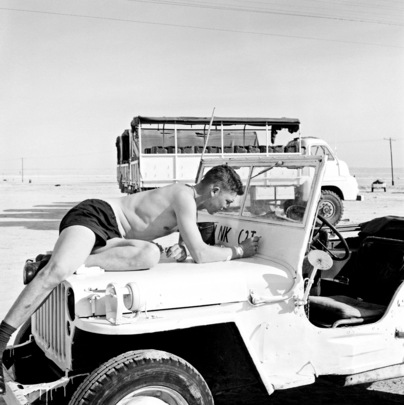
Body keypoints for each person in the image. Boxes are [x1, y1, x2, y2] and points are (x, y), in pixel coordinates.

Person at [0, 164, 260, 394]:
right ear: (214, 190)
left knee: (150, 254)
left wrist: (182, 248)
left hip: (115, 240)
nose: (227, 207)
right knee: (55, 274)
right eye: (228, 201)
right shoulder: (184, 196)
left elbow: (189, 247)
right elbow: (201, 255)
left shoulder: (191, 206)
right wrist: (240, 251)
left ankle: (65, 260)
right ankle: (2, 338)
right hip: (98, 216)